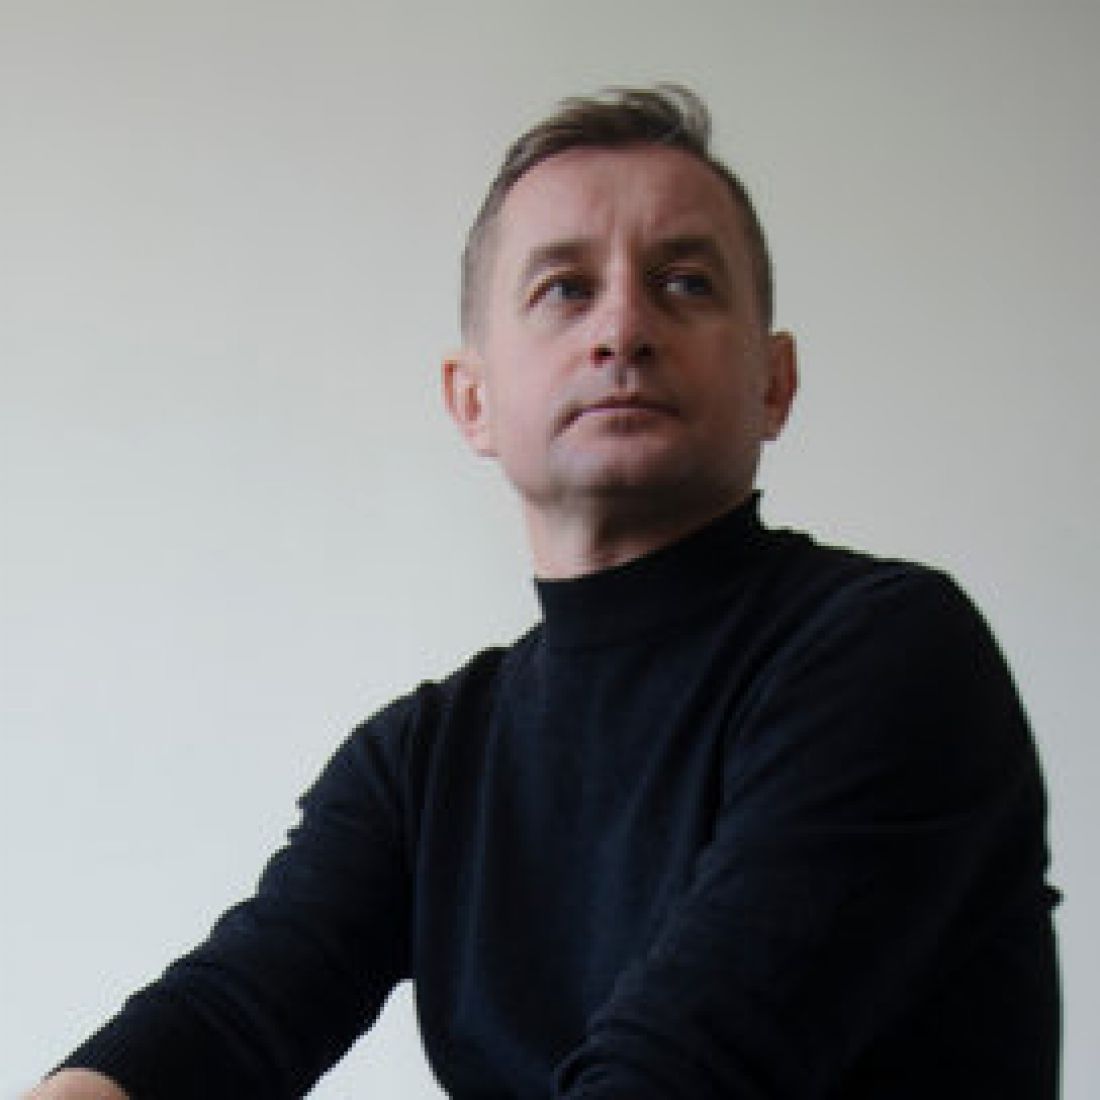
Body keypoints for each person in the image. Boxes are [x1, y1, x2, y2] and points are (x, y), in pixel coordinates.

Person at [31, 85, 1059, 1099]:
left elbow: (686, 1072)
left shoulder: (892, 653)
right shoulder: (422, 761)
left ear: (773, 382)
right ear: (471, 399)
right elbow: (227, 1017)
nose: (624, 328)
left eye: (685, 282)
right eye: (565, 288)